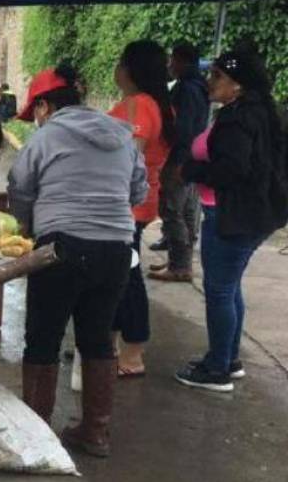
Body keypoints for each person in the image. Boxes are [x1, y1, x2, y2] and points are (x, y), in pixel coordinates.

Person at [8, 63, 147, 458]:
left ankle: (38, 437)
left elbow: (20, 187)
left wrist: (31, 223)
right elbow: (136, 192)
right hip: (116, 249)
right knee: (97, 337)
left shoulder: (46, 137)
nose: (35, 119)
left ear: (45, 106)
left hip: (61, 246)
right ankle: (95, 433)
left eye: (34, 111)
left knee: (43, 337)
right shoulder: (122, 135)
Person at [176, 45, 288, 393]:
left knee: (219, 290)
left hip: (233, 216)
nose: (210, 81)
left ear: (237, 84)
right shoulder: (260, 112)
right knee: (229, 286)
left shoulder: (238, 119)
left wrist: (189, 169)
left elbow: (231, 169)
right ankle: (228, 357)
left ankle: (218, 368)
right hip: (253, 215)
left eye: (217, 76)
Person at [107, 40, 175, 378]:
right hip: (137, 202)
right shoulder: (153, 104)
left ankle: (132, 355)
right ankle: (112, 348)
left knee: (128, 276)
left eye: (120, 61)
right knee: (120, 274)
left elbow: (128, 159)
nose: (116, 68)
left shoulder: (139, 107)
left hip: (126, 205)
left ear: (131, 69)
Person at [149, 42, 209, 281]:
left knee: (172, 210)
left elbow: (183, 129)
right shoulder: (199, 86)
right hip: (192, 157)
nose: (170, 65)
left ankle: (179, 266)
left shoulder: (187, 89)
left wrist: (175, 162)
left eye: (172, 60)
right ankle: (180, 261)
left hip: (180, 158)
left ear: (182, 61)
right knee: (186, 210)